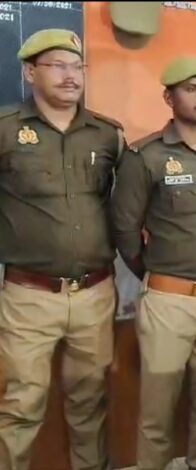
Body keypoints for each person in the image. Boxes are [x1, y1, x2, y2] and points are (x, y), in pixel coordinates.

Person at [0, 29, 124, 470]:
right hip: (28, 296)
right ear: (30, 72)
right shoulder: (6, 130)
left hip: (95, 293)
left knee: (90, 402)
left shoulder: (107, 134)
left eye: (77, 66)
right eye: (57, 66)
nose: (71, 76)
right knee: (21, 405)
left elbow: (122, 209)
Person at [111, 57, 196, 470]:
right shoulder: (145, 156)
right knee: (158, 409)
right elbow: (125, 230)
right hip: (169, 302)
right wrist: (157, 274)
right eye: (191, 89)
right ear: (169, 98)